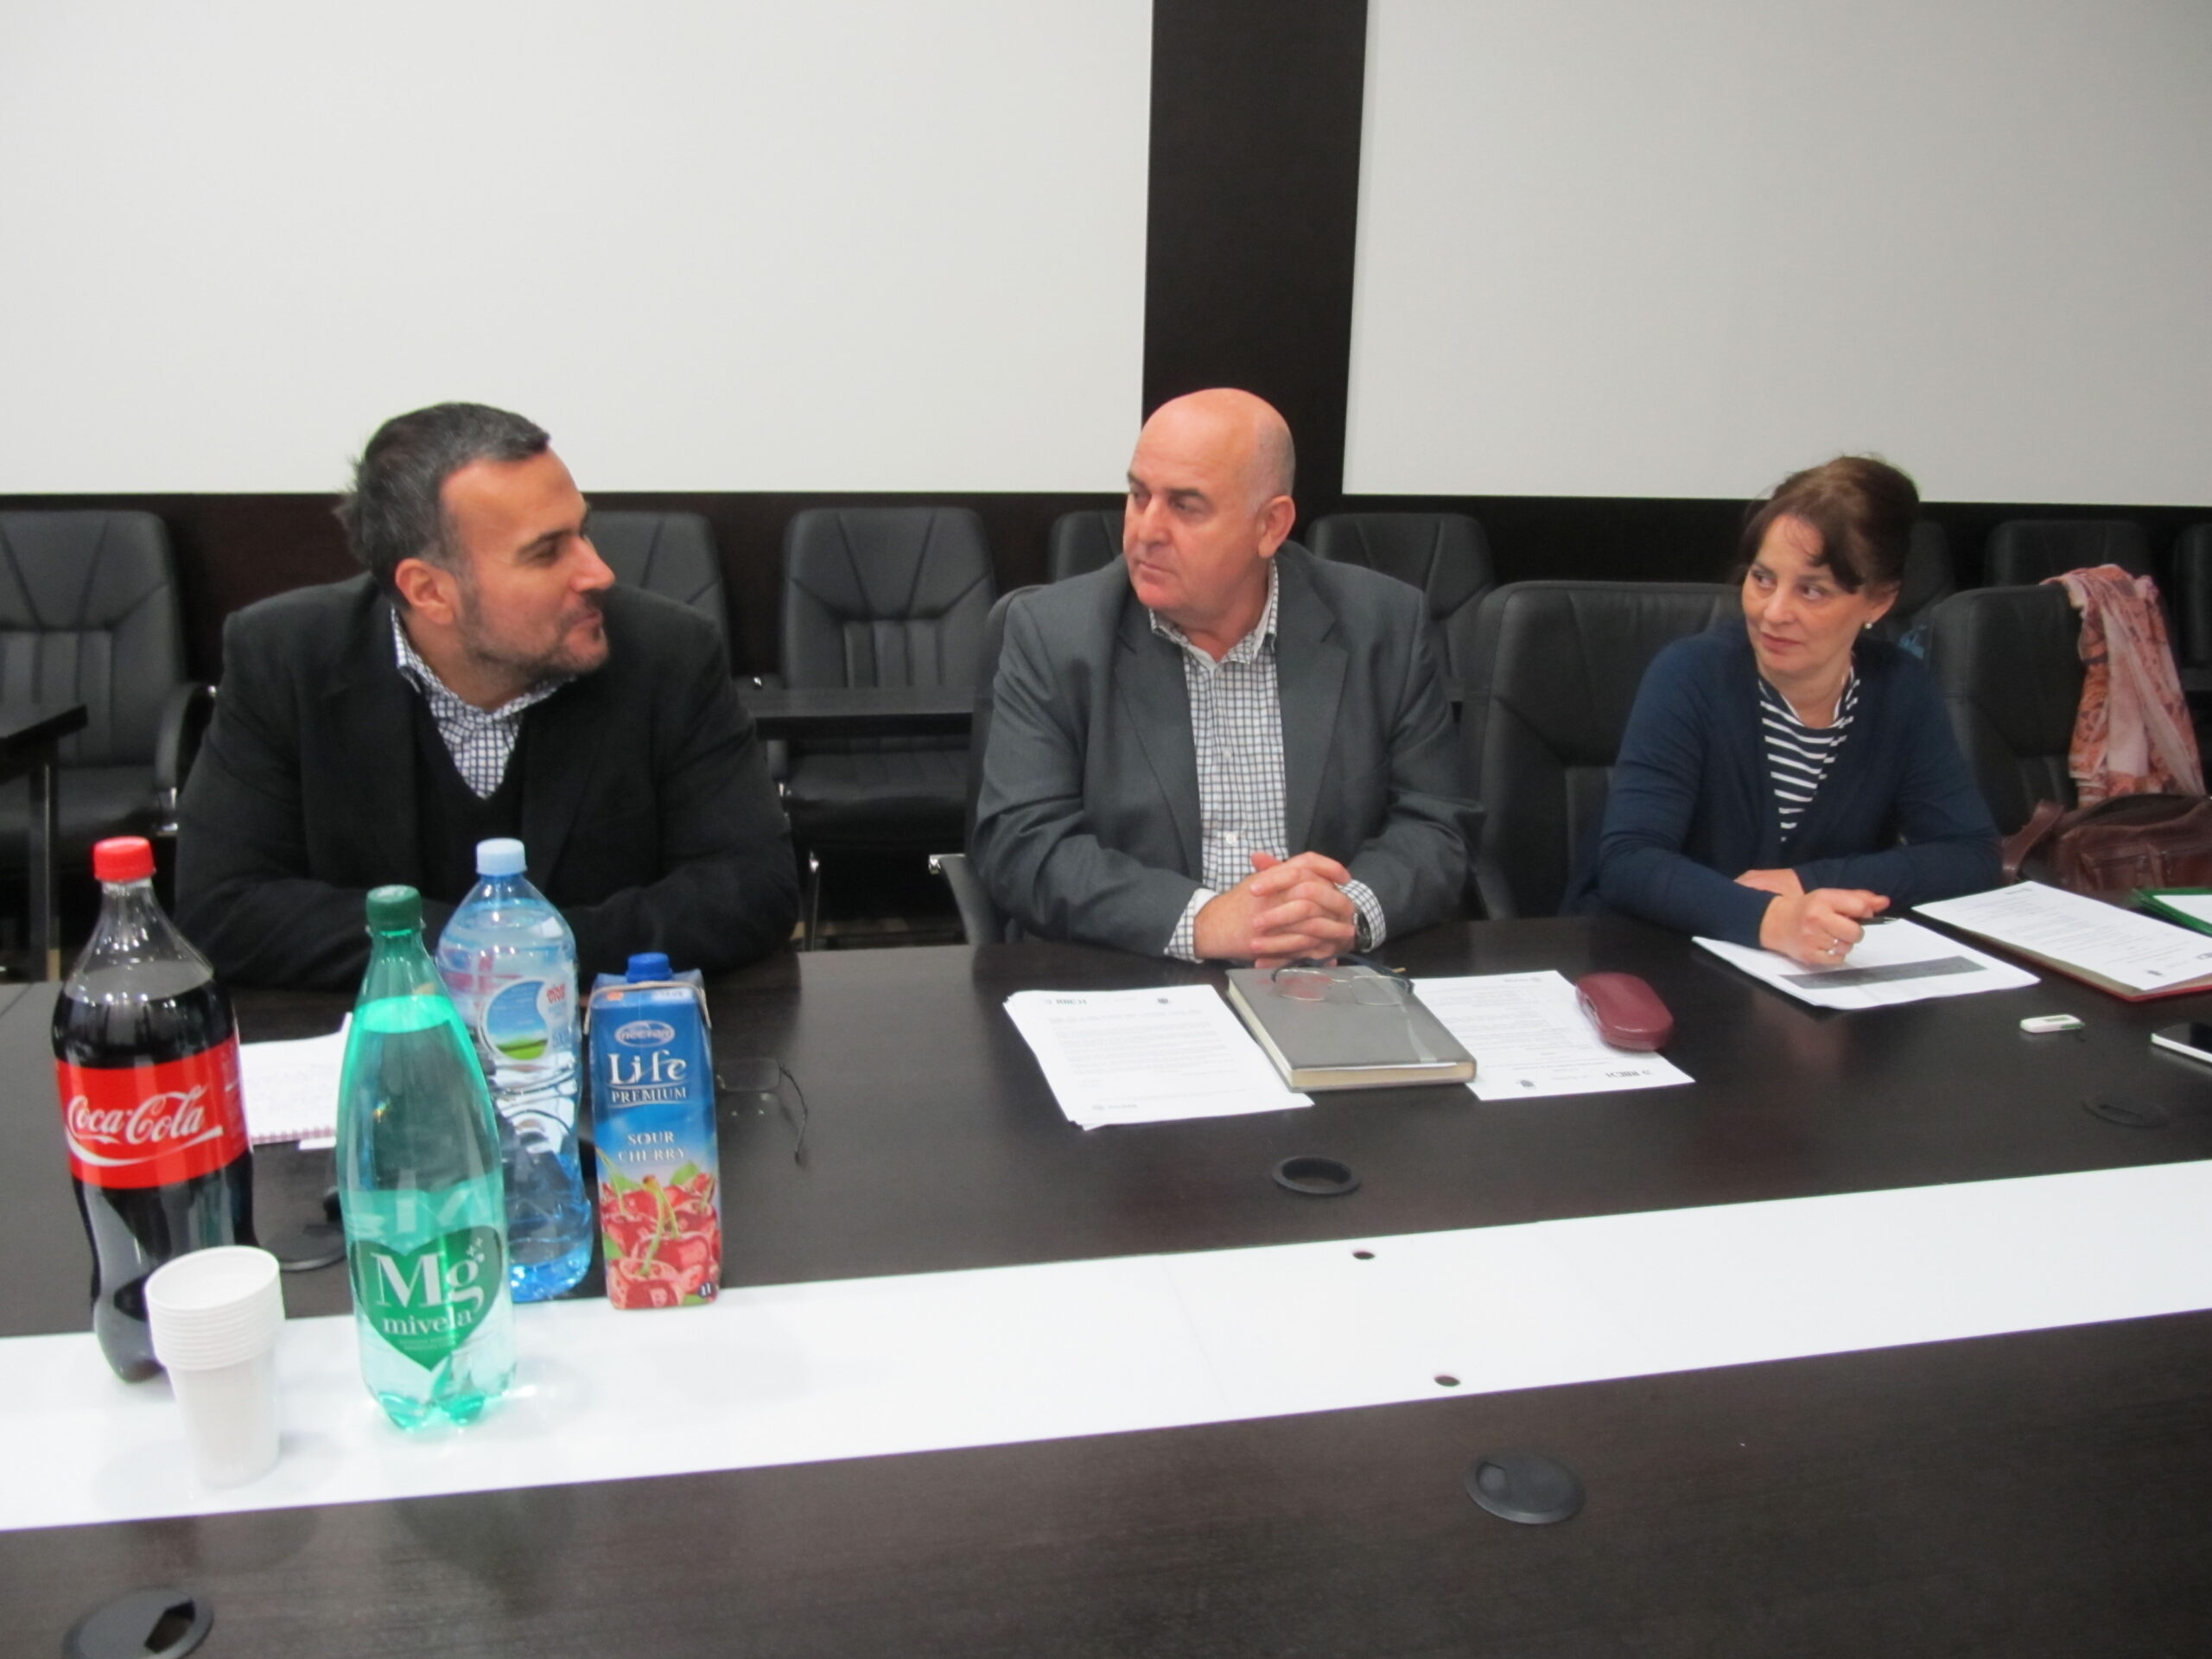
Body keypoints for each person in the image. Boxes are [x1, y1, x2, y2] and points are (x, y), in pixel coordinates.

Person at [176, 402, 797, 988]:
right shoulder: (286, 657)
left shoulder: (668, 653)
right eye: (546, 552)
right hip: (382, 1043)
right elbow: (223, 908)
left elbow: (751, 888)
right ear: (429, 591)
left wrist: (534, 954)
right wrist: (482, 953)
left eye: (583, 532)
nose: (599, 572)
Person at [971, 389, 1475, 964]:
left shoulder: (1383, 625)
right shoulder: (1054, 633)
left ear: (1270, 526)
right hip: (1136, 971)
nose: (1145, 531)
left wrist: (1344, 911)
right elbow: (1022, 845)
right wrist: (1203, 921)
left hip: (1327, 978)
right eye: (1139, 496)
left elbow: (1437, 827)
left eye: (1185, 506)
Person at [1574, 454, 1999, 964]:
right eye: (1762, 579)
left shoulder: (1900, 690)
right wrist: (1771, 919)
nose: (1773, 612)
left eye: (1812, 591)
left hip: (1805, 973)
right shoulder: (1690, 675)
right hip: (1655, 959)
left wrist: (1806, 882)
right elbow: (1629, 862)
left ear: (1878, 601)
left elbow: (1971, 855)